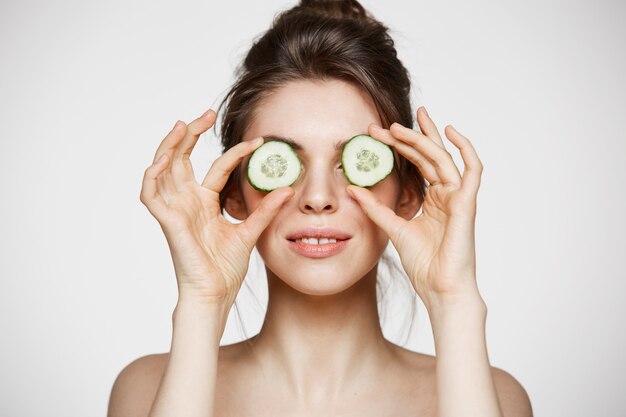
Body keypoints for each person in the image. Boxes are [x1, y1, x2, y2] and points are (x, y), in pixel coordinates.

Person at [108, 1, 533, 416]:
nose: (317, 196)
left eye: (356, 162)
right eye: (281, 163)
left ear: (408, 191)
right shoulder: (145, 390)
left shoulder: (494, 396)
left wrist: (453, 301)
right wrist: (202, 303)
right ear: (233, 191)